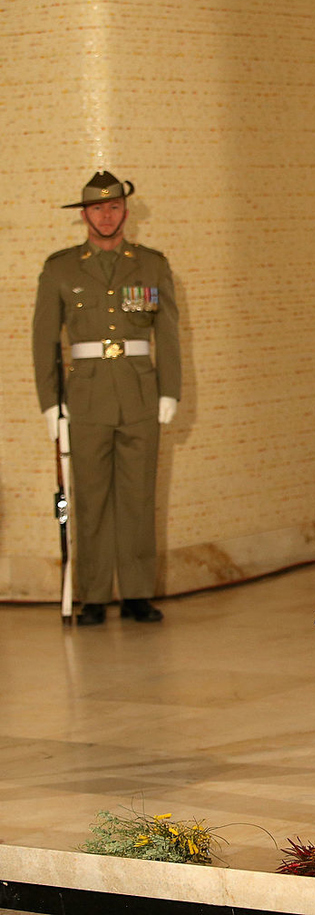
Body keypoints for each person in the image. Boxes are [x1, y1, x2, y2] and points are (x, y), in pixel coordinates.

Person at [33, 171, 181, 626]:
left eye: (113, 207)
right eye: (97, 208)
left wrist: (169, 390)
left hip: (139, 391)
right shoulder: (60, 268)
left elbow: (168, 333)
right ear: (84, 215)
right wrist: (50, 403)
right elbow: (43, 341)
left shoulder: (152, 264)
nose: (106, 214)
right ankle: (93, 595)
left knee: (138, 497)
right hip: (87, 395)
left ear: (125, 211)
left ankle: (136, 593)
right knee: (91, 496)